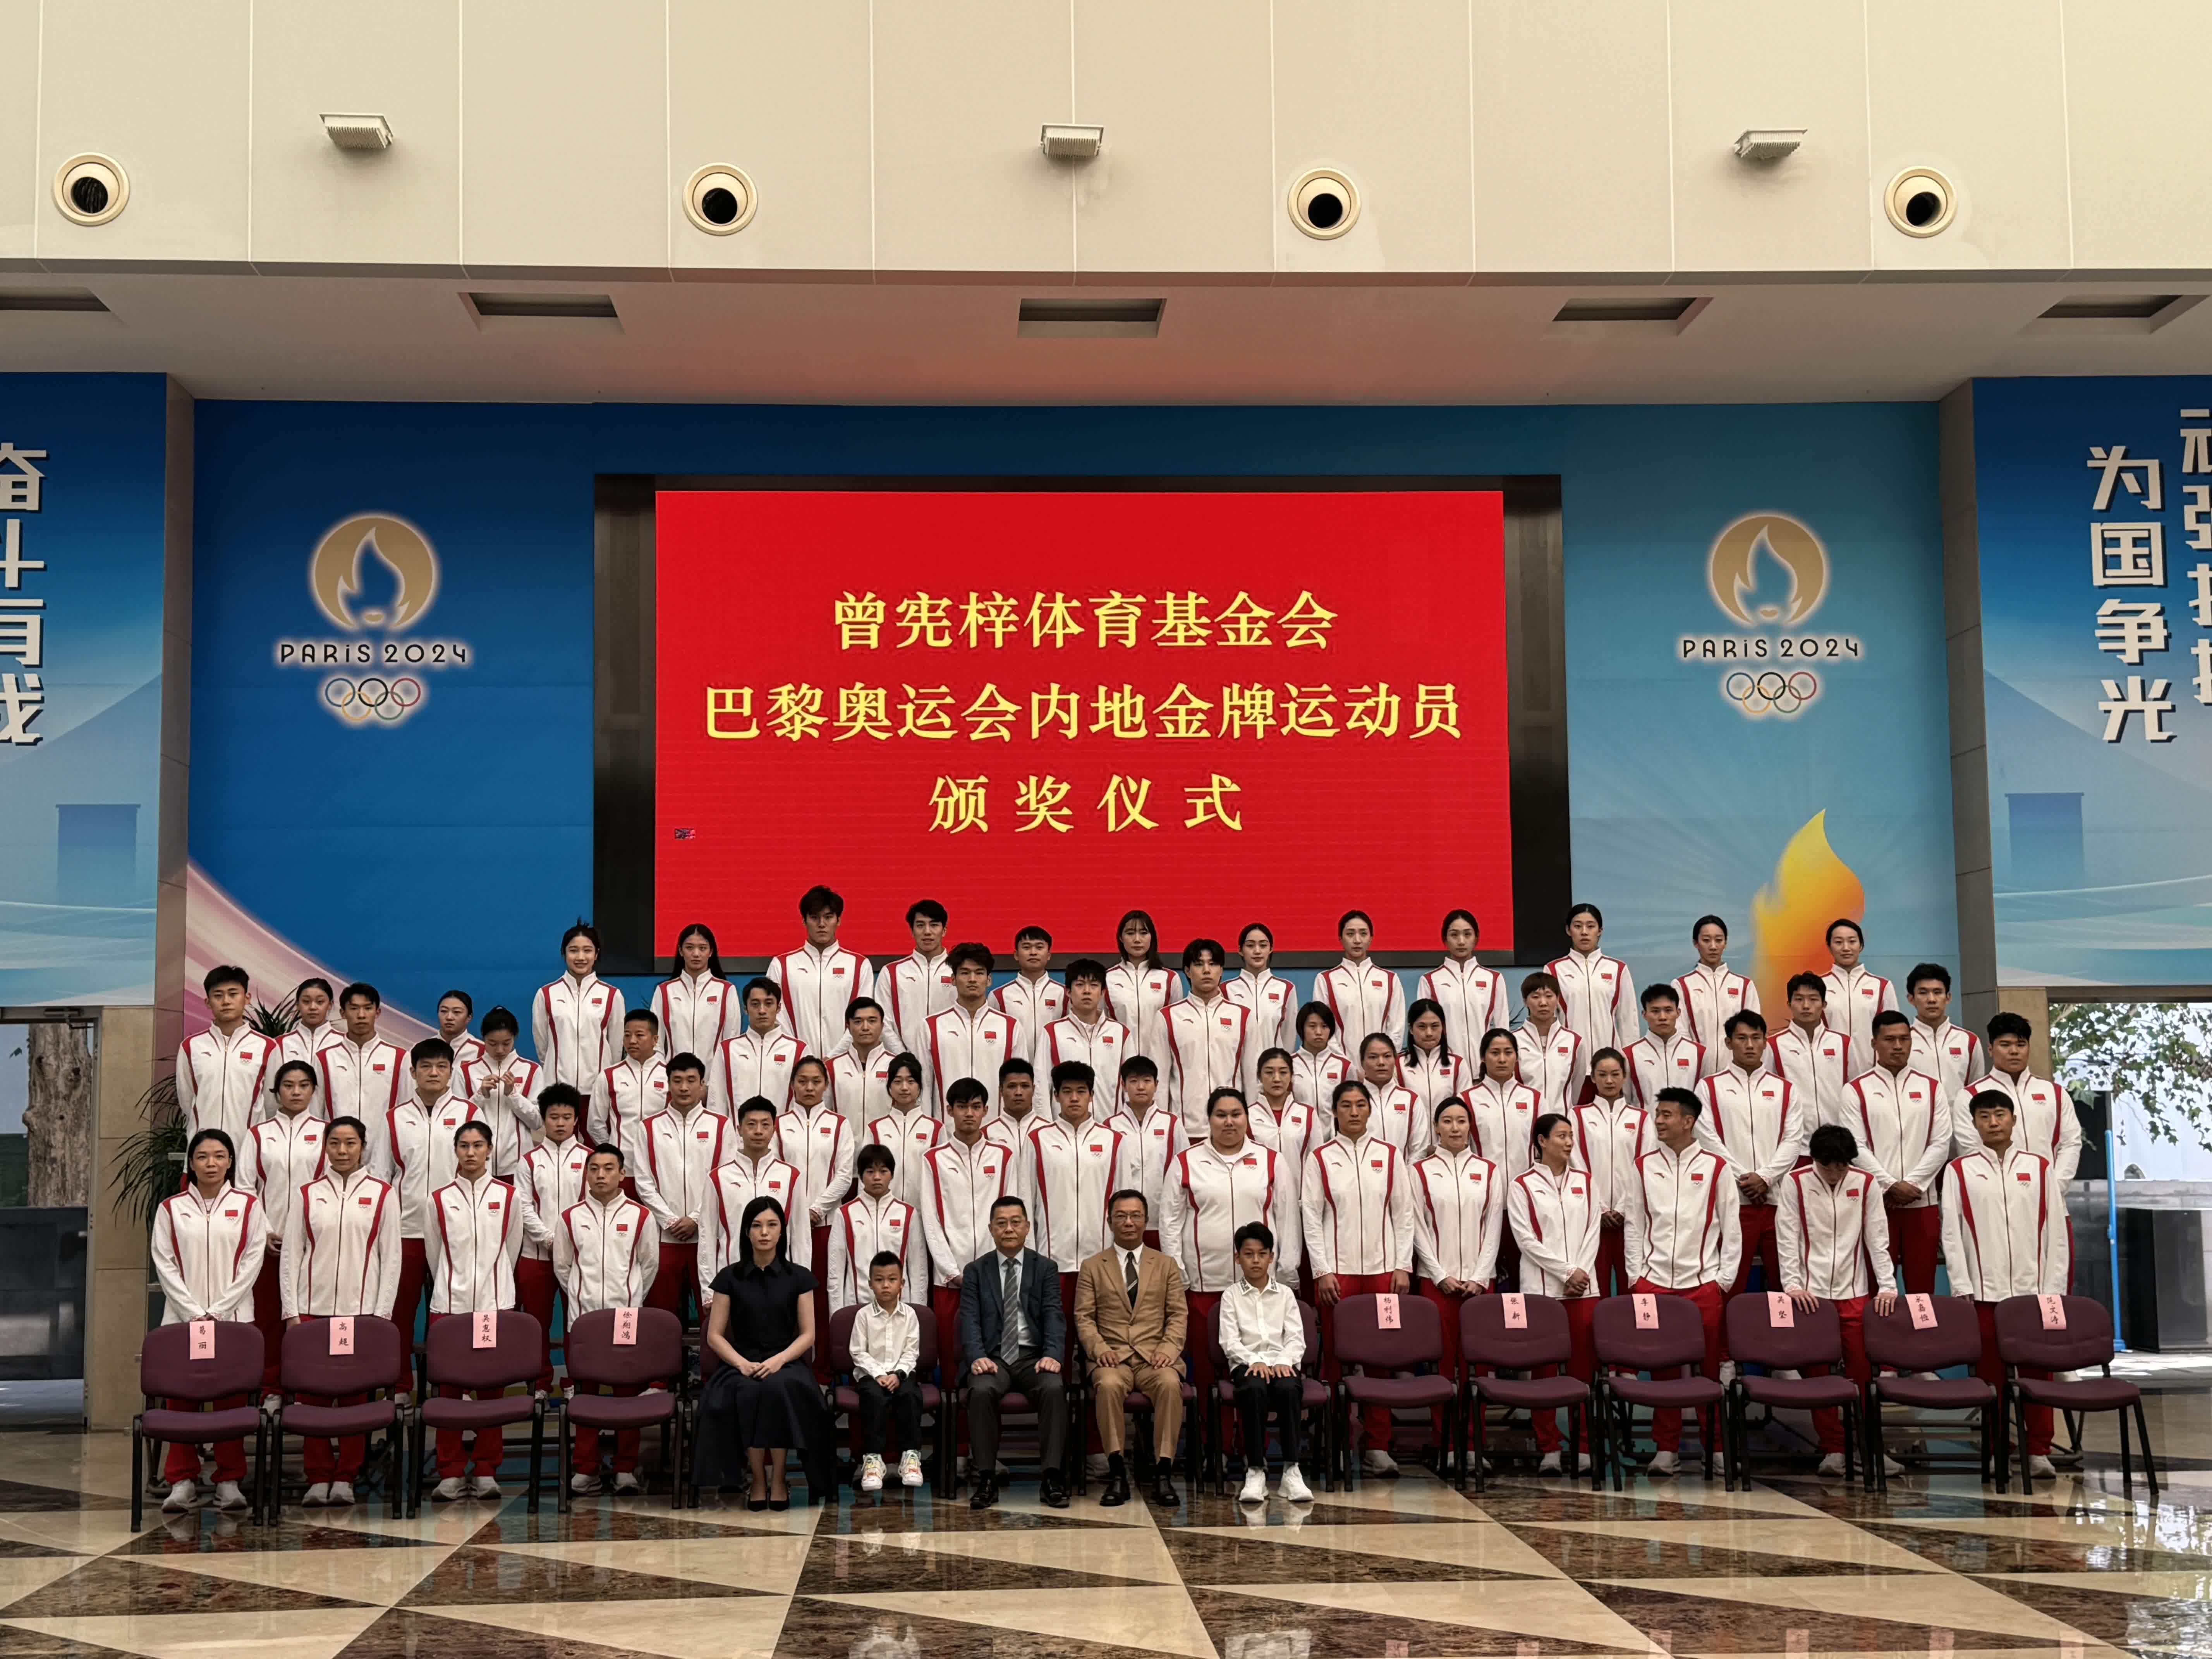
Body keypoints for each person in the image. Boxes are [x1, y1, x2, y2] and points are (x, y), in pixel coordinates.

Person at [1942, 1090, 2069, 1477]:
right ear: (1974, 1124)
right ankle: (1997, 1448)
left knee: (2038, 1373)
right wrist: (1961, 1285)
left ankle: (2039, 1451)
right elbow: (1952, 1233)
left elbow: (2056, 1231)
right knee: (1990, 1378)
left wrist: (2054, 1290)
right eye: (1985, 1117)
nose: (1993, 1123)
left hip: (2034, 1293)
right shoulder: (1959, 1171)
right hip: (1984, 1293)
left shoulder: (2039, 1167)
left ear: (2014, 1119)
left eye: (2000, 1114)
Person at [281, 1114, 399, 1506]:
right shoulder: (307, 1194)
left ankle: (347, 1475)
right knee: (312, 1399)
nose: (343, 1151)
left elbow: (391, 1258)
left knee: (354, 1401)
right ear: (326, 1148)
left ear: (363, 1148)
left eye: (351, 1144)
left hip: (361, 1313)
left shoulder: (383, 1194)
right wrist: (292, 1313)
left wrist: (381, 1316)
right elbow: (291, 1256)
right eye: (335, 1143)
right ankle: (318, 1476)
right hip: (312, 1312)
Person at [1623, 1089, 1740, 1474]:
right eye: (1657, 1114)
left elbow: (1732, 1229)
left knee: (1710, 1372)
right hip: (1654, 1283)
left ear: (1688, 1122)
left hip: (1703, 1284)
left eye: (1666, 1115)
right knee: (1663, 1372)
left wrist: (1722, 1282)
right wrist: (1636, 1278)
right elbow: (1634, 1224)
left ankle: (1716, 1446)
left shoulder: (1717, 1167)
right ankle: (1666, 1448)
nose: (1658, 1121)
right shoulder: (1642, 1165)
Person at [1163, 1087, 1299, 1416]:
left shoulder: (1271, 1160)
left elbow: (1288, 1220)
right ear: (1208, 1120)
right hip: (1204, 1285)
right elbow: (1170, 1223)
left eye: (1236, 1115)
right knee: (1208, 1372)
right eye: (1220, 1115)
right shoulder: (1186, 1162)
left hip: (1258, 1289)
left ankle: (1253, 1442)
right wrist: (1180, 1275)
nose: (1229, 1122)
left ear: (1247, 1119)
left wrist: (1286, 1273)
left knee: (1259, 1372)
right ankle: (1212, 1441)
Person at [1301, 1080, 1414, 1475]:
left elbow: (1403, 1213)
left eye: (1360, 1105)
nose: (1354, 1112)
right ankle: (1337, 1439)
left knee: (1383, 1360)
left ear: (1370, 1110)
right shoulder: (1320, 1158)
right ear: (1334, 1112)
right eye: (1346, 1105)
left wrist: (1402, 1266)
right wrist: (1322, 1270)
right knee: (1336, 1360)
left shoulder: (1389, 1155)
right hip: (1338, 1276)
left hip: (1383, 1274)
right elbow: (1311, 1217)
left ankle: (1378, 1445)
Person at [1776, 1123, 1900, 1477]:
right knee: (1817, 1378)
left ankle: (1868, 1446)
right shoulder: (1795, 1182)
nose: (1835, 1174)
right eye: (1828, 1167)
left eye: (1842, 1167)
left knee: (1861, 1375)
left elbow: (1878, 1238)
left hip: (1854, 1292)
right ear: (1815, 1160)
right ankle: (1833, 1447)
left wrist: (1887, 1286)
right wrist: (1792, 1285)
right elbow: (1788, 1236)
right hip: (1811, 1295)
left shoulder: (1866, 1183)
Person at [694, 1196, 835, 1507]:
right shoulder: (729, 1277)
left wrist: (779, 1360)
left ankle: (779, 1477)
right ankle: (758, 1478)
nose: (765, 1232)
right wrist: (743, 1364)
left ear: (782, 1231)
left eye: (772, 1225)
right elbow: (715, 1336)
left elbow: (809, 1335)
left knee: (777, 1389)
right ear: (746, 1232)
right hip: (740, 1362)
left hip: (786, 1361)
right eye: (757, 1226)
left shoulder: (799, 1277)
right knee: (748, 1390)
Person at [151, 1128, 265, 1513]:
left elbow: (252, 1261)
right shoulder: (171, 1209)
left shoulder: (249, 1207)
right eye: (202, 1157)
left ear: (231, 1162)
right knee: (181, 1401)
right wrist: (193, 1312)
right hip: (182, 1321)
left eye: (219, 1156)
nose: (211, 1164)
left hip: (234, 1320)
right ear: (191, 1163)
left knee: (231, 1403)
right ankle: (182, 1480)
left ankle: (229, 1481)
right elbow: (164, 1262)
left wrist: (218, 1311)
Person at [424, 1120, 522, 1501]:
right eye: (464, 1146)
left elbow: (511, 1248)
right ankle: (450, 1471)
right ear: (455, 1150)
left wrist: (493, 1289)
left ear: (490, 1150)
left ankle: (485, 1470)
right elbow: (435, 1254)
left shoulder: (509, 1196)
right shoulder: (438, 1199)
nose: (471, 1152)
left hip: (495, 1304)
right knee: (448, 1394)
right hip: (449, 1306)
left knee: (491, 1393)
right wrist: (455, 1286)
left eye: (478, 1145)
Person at [556, 1141, 661, 1496]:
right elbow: (563, 1267)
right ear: (586, 1174)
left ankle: (625, 1469)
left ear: (622, 1174)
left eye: (609, 1169)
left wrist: (630, 1301)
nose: (601, 1175)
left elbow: (649, 1266)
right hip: (584, 1321)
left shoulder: (641, 1217)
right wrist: (582, 1299)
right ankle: (586, 1469)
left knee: (627, 1397)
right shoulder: (570, 1218)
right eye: (594, 1169)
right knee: (585, 1396)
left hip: (626, 1319)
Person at [374, 1037, 477, 1400]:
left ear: (451, 1072)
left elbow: (480, 1174)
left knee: (454, 1315)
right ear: (413, 1072)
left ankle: (454, 1386)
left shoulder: (469, 1114)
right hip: (406, 1233)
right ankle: (401, 1386)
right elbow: (381, 1176)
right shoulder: (394, 1118)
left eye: (441, 1067)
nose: (434, 1073)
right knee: (400, 1314)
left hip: (455, 1234)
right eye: (426, 1067)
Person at [1075, 1190, 1188, 1507]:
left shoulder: (1166, 1264)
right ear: (1109, 1221)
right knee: (1109, 1386)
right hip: (1112, 1359)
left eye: (1136, 1216)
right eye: (1121, 1216)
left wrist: (1168, 1349)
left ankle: (1163, 1473)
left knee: (1170, 1385)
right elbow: (1084, 1317)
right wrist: (1099, 1349)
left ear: (1146, 1221)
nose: (1129, 1222)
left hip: (1155, 1358)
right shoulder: (1092, 1266)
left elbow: (1178, 1314)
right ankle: (1117, 1473)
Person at [957, 1195, 1070, 1509]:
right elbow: (969, 1319)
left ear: (1027, 1227)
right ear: (991, 1229)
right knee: (981, 1391)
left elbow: (1053, 1314)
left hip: (1033, 1357)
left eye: (1016, 1222)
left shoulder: (1045, 1268)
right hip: (993, 1358)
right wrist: (977, 1356)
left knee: (1054, 1388)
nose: (1009, 1229)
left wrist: (1053, 1354)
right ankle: (986, 1478)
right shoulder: (976, 1271)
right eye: (1002, 1223)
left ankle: (1051, 1477)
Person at [1509, 1114, 1601, 1472]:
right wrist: (1566, 1272)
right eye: (1561, 1136)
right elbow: (1526, 1239)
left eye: (1571, 1136)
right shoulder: (1522, 1185)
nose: (1568, 1142)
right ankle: (1549, 1447)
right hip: (1541, 1292)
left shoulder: (1586, 1182)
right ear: (1541, 1141)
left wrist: (1580, 1273)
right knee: (1544, 1374)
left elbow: (1593, 1230)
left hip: (1583, 1291)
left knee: (1583, 1372)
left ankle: (1584, 1447)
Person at [1697, 1011, 1802, 1323]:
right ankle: (1726, 1350)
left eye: (1757, 1038)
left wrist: (1766, 1178)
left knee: (1785, 1282)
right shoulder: (1709, 1087)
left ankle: (1785, 1348)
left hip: (1777, 1201)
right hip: (1734, 1202)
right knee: (1731, 1283)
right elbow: (1708, 1139)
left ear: (1766, 1042)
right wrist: (1746, 1179)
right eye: (1742, 1039)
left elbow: (1793, 1140)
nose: (1750, 1045)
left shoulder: (1785, 1089)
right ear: (1728, 1043)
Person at [1412, 1096, 1502, 1452]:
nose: (1455, 1128)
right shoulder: (1419, 1171)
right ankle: (1447, 1446)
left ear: (1470, 1127)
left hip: (1479, 1285)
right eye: (1447, 1121)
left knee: (1478, 1367)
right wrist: (1439, 1275)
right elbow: (1417, 1228)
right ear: (1436, 1127)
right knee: (1443, 1369)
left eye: (1461, 1121)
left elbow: (1493, 1227)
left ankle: (1475, 1445)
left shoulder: (1489, 1171)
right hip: (1438, 1284)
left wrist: (1481, 1277)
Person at [1843, 1012, 1947, 1294]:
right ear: (1874, 1043)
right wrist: (1888, 1185)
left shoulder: (1932, 1088)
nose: (1898, 1046)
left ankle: (1921, 1327)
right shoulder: (1856, 1090)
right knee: (1877, 1287)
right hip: (1878, 1202)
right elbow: (1856, 1146)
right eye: (1890, 1040)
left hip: (1922, 1201)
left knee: (1922, 1287)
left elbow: (1940, 1143)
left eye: (1904, 1039)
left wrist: (1914, 1184)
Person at [921, 1080, 1017, 1377]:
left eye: (976, 1107)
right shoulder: (933, 1159)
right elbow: (931, 1220)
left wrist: (1002, 1265)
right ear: (950, 1110)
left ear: (987, 1110)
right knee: (952, 1355)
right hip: (951, 1278)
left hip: (996, 1274)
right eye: (962, 1107)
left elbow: (1012, 1216)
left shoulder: (1004, 1156)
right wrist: (952, 1272)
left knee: (998, 1355)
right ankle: (950, 1407)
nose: (969, 1114)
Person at [1025, 1063, 1138, 1316]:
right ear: (1056, 1096)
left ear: (1092, 1095)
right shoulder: (1037, 1140)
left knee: (1100, 1335)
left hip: (1102, 1258)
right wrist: (1031, 1257)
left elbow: (1125, 1204)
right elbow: (1025, 1202)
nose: (1074, 1098)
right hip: (1052, 1258)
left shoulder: (1113, 1141)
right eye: (1067, 1092)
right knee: (1055, 1334)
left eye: (1081, 1091)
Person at [247, 1061, 328, 1393]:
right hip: (272, 1243)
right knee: (269, 1319)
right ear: (276, 1091)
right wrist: (264, 1231)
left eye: (304, 1085)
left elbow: (331, 1187)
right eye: (289, 1086)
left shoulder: (327, 1133)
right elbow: (246, 1188)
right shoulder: (258, 1134)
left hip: (315, 1246)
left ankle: (311, 1388)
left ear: (314, 1091)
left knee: (311, 1320)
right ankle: (271, 1390)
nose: (296, 1092)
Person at [1221, 1221, 1314, 1505]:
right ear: (1238, 1258)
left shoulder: (1285, 1294)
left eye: (1262, 1254)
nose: (1256, 1261)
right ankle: (1255, 1470)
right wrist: (1256, 1360)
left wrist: (1283, 1361)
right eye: (1248, 1254)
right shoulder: (1231, 1296)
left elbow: (1296, 1338)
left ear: (1272, 1257)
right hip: (1247, 1364)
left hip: (1283, 1363)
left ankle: (1291, 1470)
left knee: (1288, 1389)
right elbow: (1230, 1341)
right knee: (1254, 1389)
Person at [632, 1053, 726, 1327]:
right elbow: (644, 1181)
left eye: (691, 1080)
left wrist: (696, 1219)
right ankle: (662, 1358)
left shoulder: (721, 1126)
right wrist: (671, 1221)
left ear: (703, 1084)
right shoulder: (649, 1127)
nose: (684, 1088)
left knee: (713, 1315)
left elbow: (725, 1178)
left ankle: (711, 1358)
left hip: (708, 1236)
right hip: (664, 1237)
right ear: (669, 1084)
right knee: (662, 1315)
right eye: (678, 1081)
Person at [778, 1055, 854, 1377]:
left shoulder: (839, 1124)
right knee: (784, 1298)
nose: (809, 1087)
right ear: (792, 1085)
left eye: (816, 1081)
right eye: (803, 1081)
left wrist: (816, 1209)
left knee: (821, 1297)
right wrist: (794, 1214)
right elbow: (775, 1172)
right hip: (785, 1228)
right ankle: (786, 1371)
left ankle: (822, 1374)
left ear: (826, 1086)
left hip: (825, 1226)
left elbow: (844, 1175)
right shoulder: (779, 1125)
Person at [514, 1086, 593, 1393]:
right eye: (554, 1117)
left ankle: (577, 1381)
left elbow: (591, 1206)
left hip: (579, 1258)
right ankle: (540, 1384)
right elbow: (523, 1207)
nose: (560, 1123)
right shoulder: (529, 1161)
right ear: (543, 1119)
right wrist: (549, 1239)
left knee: (578, 1323)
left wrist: (569, 1244)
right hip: (536, 1257)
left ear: (576, 1120)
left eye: (567, 1117)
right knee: (537, 1325)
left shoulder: (589, 1159)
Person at [698, 1099, 808, 1307]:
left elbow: (801, 1236)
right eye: (751, 1124)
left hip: (781, 1284)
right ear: (739, 1129)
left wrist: (801, 1287)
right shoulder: (718, 1177)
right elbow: (707, 1237)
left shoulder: (791, 1176)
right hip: (731, 1281)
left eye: (765, 1125)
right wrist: (709, 1292)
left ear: (774, 1130)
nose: (758, 1131)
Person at [1957, 1012, 2081, 1185]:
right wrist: (2001, 1191)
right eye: (2005, 1045)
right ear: (1990, 1049)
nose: (2014, 1051)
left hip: (2050, 1194)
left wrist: (2055, 1188)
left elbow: (2070, 1143)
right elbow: (1971, 1150)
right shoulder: (1971, 1095)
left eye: (2021, 1045)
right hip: (1995, 1195)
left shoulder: (2055, 1093)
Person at [1571, 1048, 1647, 1295]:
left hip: (1632, 1218)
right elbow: (1576, 1163)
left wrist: (1624, 1208)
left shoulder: (1642, 1118)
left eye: (1615, 1074)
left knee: (1633, 1288)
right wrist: (1600, 1208)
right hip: (1592, 1218)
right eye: (1602, 1075)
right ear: (1593, 1078)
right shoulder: (1578, 1116)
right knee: (1596, 1289)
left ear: (1625, 1076)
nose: (1609, 1081)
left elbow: (1645, 1166)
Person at [179, 965, 282, 1147]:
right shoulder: (191, 1047)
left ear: (247, 998)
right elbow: (187, 1101)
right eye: (218, 996)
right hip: (203, 1152)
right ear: (208, 1002)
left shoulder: (267, 1047)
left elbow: (272, 1104)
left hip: (249, 1150)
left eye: (233, 994)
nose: (226, 1001)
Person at [850, 1250, 927, 1491]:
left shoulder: (910, 1315)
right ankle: (873, 1460)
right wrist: (879, 1375)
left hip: (902, 1375)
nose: (886, 1285)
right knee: (873, 1398)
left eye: (892, 1279)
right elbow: (858, 1352)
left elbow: (912, 1352)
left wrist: (898, 1375)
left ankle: (911, 1458)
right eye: (880, 1280)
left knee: (910, 1395)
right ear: (870, 1283)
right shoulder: (863, 1316)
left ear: (902, 1283)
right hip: (871, 1376)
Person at [769, 884, 872, 1056]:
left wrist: (834, 1057)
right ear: (804, 921)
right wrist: (801, 1056)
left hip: (846, 1062)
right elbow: (777, 1016)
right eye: (814, 918)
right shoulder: (782, 965)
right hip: (797, 1062)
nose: (822, 924)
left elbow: (863, 1018)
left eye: (828, 917)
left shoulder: (859, 965)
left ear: (838, 920)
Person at [1164, 939, 1252, 1138]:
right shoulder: (1168, 1017)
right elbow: (1160, 1080)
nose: (1206, 970)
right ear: (1187, 971)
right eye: (1199, 964)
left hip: (1232, 1127)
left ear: (1221, 970)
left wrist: (1250, 1126)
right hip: (1186, 1129)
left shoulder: (1243, 1016)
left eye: (1213, 964)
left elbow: (1252, 1079)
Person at [829, 1144, 926, 1312]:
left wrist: (917, 1313)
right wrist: (837, 1316)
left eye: (883, 1171)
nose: (877, 1178)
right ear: (860, 1176)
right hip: (857, 1306)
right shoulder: (845, 1214)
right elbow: (835, 1273)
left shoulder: (908, 1214)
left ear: (892, 1175)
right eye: (870, 1172)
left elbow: (919, 1271)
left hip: (901, 1309)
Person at [924, 943, 1018, 1115]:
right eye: (965, 973)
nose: (972, 979)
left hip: (996, 1126)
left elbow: (1018, 1084)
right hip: (947, 1127)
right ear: (953, 979)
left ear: (989, 980)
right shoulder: (931, 1027)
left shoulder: (1011, 1027)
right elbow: (924, 1085)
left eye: (979, 973)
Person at [317, 983, 409, 1156]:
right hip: (337, 1155)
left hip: (384, 1156)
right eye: (354, 1009)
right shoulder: (325, 1058)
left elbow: (406, 1112)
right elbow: (316, 1114)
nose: (361, 1015)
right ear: (343, 1013)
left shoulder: (399, 1057)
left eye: (368, 1008)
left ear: (378, 1013)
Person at [534, 922, 625, 1091]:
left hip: (598, 1090)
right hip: (557, 1090)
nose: (581, 957)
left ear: (596, 954)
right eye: (574, 950)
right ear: (564, 954)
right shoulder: (546, 994)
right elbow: (543, 1048)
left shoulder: (612, 995)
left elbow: (616, 1047)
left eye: (587, 951)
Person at [1042, 959, 1132, 1118]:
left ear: (1103, 992)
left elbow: (1131, 1086)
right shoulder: (1052, 1032)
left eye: (1094, 985)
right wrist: (1047, 1127)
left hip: (1111, 1127)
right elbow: (1041, 1086)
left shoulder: (1121, 1033)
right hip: (1065, 1128)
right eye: (1080, 985)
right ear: (1068, 992)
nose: (1087, 991)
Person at [1547, 902, 1639, 1053]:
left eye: (1591, 926)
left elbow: (1628, 1021)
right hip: (1569, 1059)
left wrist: (1629, 1059)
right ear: (1568, 930)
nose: (1584, 932)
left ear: (1600, 931)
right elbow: (1549, 1021)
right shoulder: (1554, 970)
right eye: (1578, 926)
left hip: (1609, 1061)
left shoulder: (1618, 969)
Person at [461, 1006, 542, 1178]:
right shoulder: (466, 1071)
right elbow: (457, 1122)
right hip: (477, 1166)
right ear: (483, 1038)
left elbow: (537, 1122)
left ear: (515, 1037)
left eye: (506, 1043)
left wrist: (513, 1095)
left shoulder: (532, 1070)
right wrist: (480, 1096)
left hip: (518, 1167)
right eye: (492, 1043)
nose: (500, 1050)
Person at [1417, 910, 1507, 1063]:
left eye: (1467, 934)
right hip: (1447, 1066)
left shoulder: (1494, 979)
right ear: (1445, 939)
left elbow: (1502, 1029)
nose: (1461, 942)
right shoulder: (1430, 981)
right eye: (1454, 935)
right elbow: (1425, 1030)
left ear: (1476, 938)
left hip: (1485, 1066)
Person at [1673, 916, 1759, 1075]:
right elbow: (1680, 1032)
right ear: (1696, 943)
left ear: (1726, 943)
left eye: (1719, 940)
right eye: (1706, 940)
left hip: (1736, 1074)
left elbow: (1754, 1032)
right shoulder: (1682, 986)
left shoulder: (1744, 986)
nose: (1713, 946)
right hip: (1695, 1075)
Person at [1769, 972, 1853, 1130]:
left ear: (1824, 1004)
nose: (1806, 1006)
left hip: (1838, 1138)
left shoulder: (1843, 1043)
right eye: (1799, 999)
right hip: (1794, 1138)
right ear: (1789, 1004)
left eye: (1813, 999)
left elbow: (1855, 1092)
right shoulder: (1773, 1045)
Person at [711, 978, 807, 1114]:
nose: (762, 1010)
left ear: (779, 1008)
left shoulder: (798, 1050)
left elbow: (805, 1102)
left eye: (769, 1004)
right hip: (738, 1129)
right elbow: (716, 1102)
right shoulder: (727, 1049)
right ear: (746, 1009)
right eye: (755, 1004)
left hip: (783, 1128)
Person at [875, 899, 955, 1060]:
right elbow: (883, 1022)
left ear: (944, 930)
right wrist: (905, 1058)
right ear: (912, 931)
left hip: (950, 1059)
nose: (927, 932)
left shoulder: (959, 971)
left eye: (934, 925)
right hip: (905, 1063)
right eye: (920, 925)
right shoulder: (892, 972)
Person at [1105, 908, 1183, 1072]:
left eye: (1143, 933)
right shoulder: (1107, 979)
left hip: (1159, 1067)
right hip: (1118, 1066)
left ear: (1152, 937)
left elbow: (1177, 1029)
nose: (1137, 940)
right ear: (1120, 938)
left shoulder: (1170, 979)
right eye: (1130, 933)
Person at [1461, 1029, 1542, 1184]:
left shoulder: (1534, 1099)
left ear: (1517, 1057)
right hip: (1482, 1187)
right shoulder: (1467, 1099)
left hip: (1525, 1189)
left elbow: (1544, 1150)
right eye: (1495, 1053)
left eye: (1508, 1053)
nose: (1502, 1059)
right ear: (1483, 1057)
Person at [590, 1010, 669, 1164]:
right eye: (627, 1035)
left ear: (655, 1040)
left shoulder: (669, 1076)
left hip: (659, 1164)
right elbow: (595, 1124)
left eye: (639, 1035)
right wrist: (613, 1155)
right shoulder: (609, 1076)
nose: (632, 1041)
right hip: (622, 1167)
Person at [1319, 909, 1405, 1049]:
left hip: (1381, 1060)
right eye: (1350, 934)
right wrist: (1341, 1061)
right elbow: (1324, 1028)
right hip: (1340, 1061)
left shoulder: (1390, 979)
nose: (1357, 940)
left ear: (1371, 938)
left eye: (1363, 934)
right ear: (1340, 938)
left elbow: (1397, 1030)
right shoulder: (1326, 980)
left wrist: (1382, 1058)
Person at [653, 922, 738, 1061]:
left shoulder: (726, 991)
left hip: (714, 1074)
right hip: (674, 1074)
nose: (696, 954)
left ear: (711, 952)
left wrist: (718, 1075)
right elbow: (656, 1045)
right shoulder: (664, 991)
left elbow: (731, 1042)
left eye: (703, 948)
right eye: (690, 948)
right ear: (681, 951)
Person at [1820, 919, 1895, 1077]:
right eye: (1839, 942)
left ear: (1861, 945)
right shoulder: (1819, 986)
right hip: (1829, 1073)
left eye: (1852, 941)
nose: (1846, 948)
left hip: (1873, 1074)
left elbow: (1893, 1031)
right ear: (1829, 946)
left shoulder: (1881, 986)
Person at [1123, 1056, 1184, 1244]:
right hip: (1124, 1223)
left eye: (1147, 1081)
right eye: (1134, 1081)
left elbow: (1184, 1172)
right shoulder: (1111, 1127)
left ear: (1157, 1085)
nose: (1141, 1087)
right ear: (1124, 1085)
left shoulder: (1172, 1124)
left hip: (1163, 1220)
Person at [866, 1054, 940, 1210]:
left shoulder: (935, 1129)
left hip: (923, 1212)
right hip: (885, 1212)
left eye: (911, 1082)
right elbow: (865, 1176)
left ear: (920, 1086)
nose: (904, 1088)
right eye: (898, 1082)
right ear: (889, 1086)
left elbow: (941, 1177)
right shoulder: (876, 1129)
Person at [1225, 922, 1299, 1077]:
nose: (1257, 951)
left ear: (1271, 949)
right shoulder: (1226, 990)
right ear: (1240, 950)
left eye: (1263, 945)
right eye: (1250, 946)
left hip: (1274, 1075)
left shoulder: (1286, 989)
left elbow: (1289, 1037)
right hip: (1237, 1073)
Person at [1905, 963, 1982, 1100]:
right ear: (1911, 999)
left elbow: (1976, 1089)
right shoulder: (1902, 1041)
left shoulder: (1969, 1041)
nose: (1932, 1000)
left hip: (1960, 1115)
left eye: (1938, 992)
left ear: (1948, 997)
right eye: (1923, 993)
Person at [1514, 972, 1588, 1113]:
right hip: (1525, 1120)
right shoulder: (1513, 1041)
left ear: (1558, 999)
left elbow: (1576, 1085)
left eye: (1549, 996)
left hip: (1562, 1120)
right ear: (1525, 1001)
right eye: (1536, 997)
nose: (1543, 1003)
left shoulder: (1574, 1042)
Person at [992, 924, 1065, 1066]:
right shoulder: (999, 996)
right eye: (1026, 947)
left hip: (1054, 1070)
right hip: (1014, 1072)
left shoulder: (1064, 995)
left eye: (1039, 947)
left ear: (1049, 955)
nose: (1033, 953)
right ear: (1016, 955)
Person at [1624, 983, 1705, 1107]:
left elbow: (1704, 1101)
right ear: (1644, 1014)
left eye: (1668, 1010)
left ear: (1678, 1013)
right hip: (1646, 1121)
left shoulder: (1700, 1053)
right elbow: (1624, 1102)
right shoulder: (1628, 1055)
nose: (1662, 1017)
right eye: (1655, 1011)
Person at [270, 976, 344, 1106]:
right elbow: (272, 1095)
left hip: (335, 1119)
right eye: (306, 1001)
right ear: (297, 1005)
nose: (313, 1007)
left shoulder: (344, 1043)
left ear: (330, 1005)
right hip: (290, 1118)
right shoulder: (280, 1044)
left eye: (320, 1002)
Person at [827, 997, 898, 1132]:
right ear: (848, 1027)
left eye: (872, 1021)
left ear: (882, 1026)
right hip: (845, 1145)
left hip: (885, 1145)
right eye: (858, 1022)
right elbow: (824, 1113)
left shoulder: (897, 1066)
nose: (865, 1027)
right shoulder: (832, 1067)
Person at [1355, 1031, 1430, 1159]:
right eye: (1373, 1057)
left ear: (1395, 1060)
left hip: (1404, 1170)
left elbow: (1419, 1149)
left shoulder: (1410, 1100)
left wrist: (1405, 1171)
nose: (1381, 1063)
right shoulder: (1351, 1100)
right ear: (1362, 1062)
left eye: (1387, 1056)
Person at [1400, 999, 1467, 1116]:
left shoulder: (1458, 1064)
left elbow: (1464, 1110)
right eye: (1422, 1027)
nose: (1429, 1033)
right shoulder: (1398, 1065)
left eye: (1435, 1026)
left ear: (1443, 1028)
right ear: (1411, 1029)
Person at [1291, 1002, 1352, 1111]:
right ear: (1302, 1028)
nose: (1319, 1032)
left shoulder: (1344, 1066)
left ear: (1331, 1029)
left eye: (1324, 1026)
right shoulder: (1289, 1064)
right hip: (1300, 1122)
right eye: (1312, 1026)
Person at [436, 990, 484, 1072]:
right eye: (444, 1011)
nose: (449, 1017)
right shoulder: (422, 1048)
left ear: (469, 1017)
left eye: (457, 1012)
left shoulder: (482, 1051)